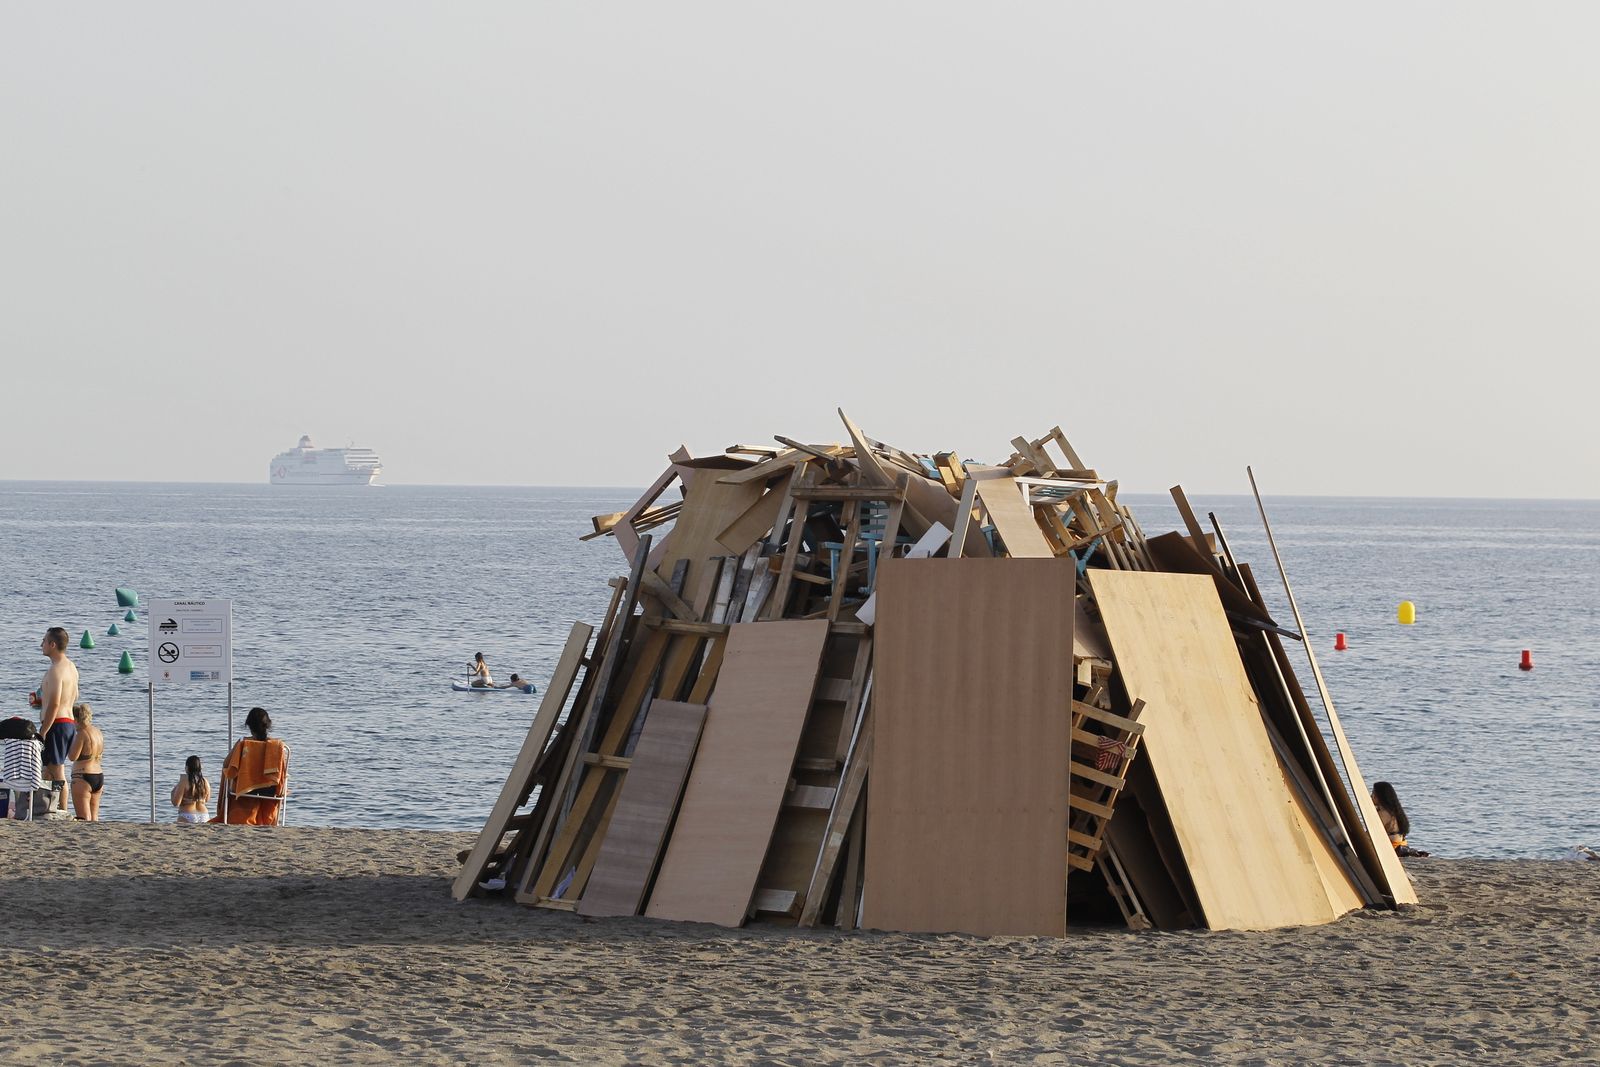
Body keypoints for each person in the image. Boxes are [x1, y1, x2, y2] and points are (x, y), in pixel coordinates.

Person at [30, 626, 79, 817]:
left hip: (57, 723)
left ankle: (63, 810)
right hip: (68, 722)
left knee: (57, 771)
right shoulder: (71, 667)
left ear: (52, 644)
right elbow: (74, 695)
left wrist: (43, 731)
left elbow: (56, 703)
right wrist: (41, 701)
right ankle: (55, 808)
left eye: (44, 641)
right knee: (51, 768)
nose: (41, 644)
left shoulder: (56, 670)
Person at [215, 706, 289, 825]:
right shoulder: (278, 747)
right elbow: (282, 772)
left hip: (244, 789)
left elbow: (227, 765)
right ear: (268, 725)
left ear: (249, 726)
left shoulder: (243, 744)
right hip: (270, 790)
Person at [66, 702, 105, 822]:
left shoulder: (82, 734)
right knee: (94, 817)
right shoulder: (98, 732)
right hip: (98, 775)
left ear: (76, 719)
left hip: (82, 776)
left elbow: (72, 756)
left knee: (84, 818)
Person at [1372, 781, 1429, 858]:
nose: (1371, 796)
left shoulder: (1384, 813)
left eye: (1373, 794)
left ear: (1380, 796)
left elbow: (1372, 832)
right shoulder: (1394, 810)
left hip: (1392, 847)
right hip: (1401, 844)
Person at [171, 755, 210, 824]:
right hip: (204, 814)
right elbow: (206, 799)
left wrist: (173, 791)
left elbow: (176, 803)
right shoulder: (205, 781)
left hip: (187, 814)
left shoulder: (184, 780)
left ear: (187, 767)